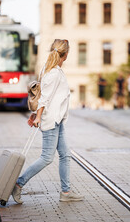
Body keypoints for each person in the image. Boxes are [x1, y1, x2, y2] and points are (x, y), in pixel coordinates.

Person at [12, 39, 84, 204]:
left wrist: (37, 114)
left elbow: (44, 95)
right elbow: (44, 98)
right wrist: (38, 116)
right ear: (65, 55)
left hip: (57, 120)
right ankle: (18, 183)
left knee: (65, 155)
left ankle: (66, 192)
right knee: (46, 158)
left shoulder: (52, 70)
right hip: (51, 121)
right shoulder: (53, 73)